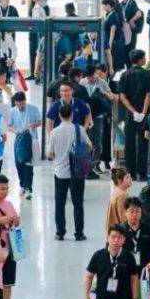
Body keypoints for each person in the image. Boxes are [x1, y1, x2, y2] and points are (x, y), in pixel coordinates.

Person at [47, 103, 91, 241]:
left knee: (60, 203)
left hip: (60, 172)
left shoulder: (54, 132)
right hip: (77, 173)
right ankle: (79, 233)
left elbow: (50, 153)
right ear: (72, 115)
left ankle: (60, 233)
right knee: (78, 204)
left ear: (59, 116)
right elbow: (90, 146)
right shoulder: (79, 129)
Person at [119, 49, 150, 179]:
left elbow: (122, 96)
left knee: (129, 142)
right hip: (143, 113)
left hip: (130, 114)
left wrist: (133, 112)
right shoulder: (146, 74)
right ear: (140, 60)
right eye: (144, 58)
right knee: (143, 141)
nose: (145, 60)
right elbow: (148, 95)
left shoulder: (125, 75)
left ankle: (130, 172)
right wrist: (143, 113)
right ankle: (142, 173)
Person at [8, 91, 41, 199]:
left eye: (22, 104)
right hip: (19, 139)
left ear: (25, 101)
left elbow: (40, 122)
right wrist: (15, 131)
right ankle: (22, 185)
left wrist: (33, 125)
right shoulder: (12, 111)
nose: (20, 106)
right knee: (19, 164)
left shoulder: (33, 109)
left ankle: (28, 188)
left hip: (31, 139)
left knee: (28, 164)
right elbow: (9, 126)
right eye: (18, 104)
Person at [105, 167, 133, 234]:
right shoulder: (122, 196)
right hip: (119, 234)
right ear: (119, 180)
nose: (131, 179)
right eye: (127, 177)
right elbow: (124, 218)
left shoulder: (116, 192)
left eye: (130, 177)